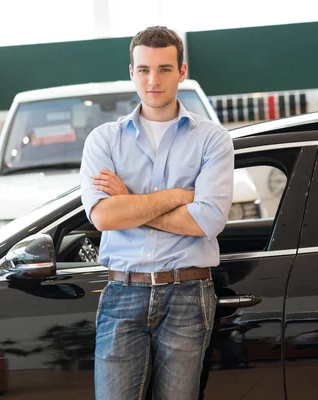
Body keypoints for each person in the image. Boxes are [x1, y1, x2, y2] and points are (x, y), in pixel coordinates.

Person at [80, 26, 234, 399]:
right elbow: (103, 218)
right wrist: (179, 196)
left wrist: (129, 202)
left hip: (188, 292)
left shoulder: (213, 139)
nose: (153, 80)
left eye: (165, 69)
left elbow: (207, 220)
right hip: (123, 291)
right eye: (144, 69)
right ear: (131, 71)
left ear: (182, 71)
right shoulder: (104, 140)